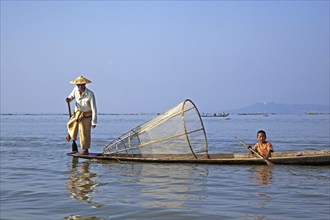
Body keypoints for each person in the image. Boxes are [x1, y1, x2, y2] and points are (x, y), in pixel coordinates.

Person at [65, 75, 97, 155]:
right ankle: (71, 136)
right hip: (77, 112)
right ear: (77, 85)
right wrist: (68, 99)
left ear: (85, 85)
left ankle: (85, 150)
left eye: (82, 85)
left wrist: (94, 122)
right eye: (79, 85)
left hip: (87, 115)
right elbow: (71, 97)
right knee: (70, 124)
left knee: (84, 132)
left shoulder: (90, 94)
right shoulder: (75, 90)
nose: (81, 86)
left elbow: (94, 109)